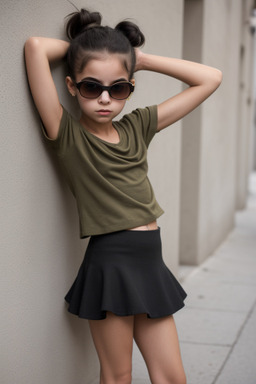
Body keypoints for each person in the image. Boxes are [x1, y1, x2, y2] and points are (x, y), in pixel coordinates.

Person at [25, 7, 222, 384]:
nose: (104, 98)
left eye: (118, 87)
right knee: (119, 377)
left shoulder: (137, 126)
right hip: (111, 262)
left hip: (150, 259)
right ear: (71, 87)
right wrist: (87, 48)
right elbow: (35, 48)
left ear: (130, 87)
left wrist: (140, 59)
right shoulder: (68, 135)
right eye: (90, 86)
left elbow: (210, 79)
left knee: (172, 378)